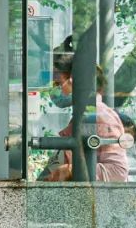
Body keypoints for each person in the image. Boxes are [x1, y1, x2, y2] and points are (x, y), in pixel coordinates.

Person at [39, 36, 130, 182]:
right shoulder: (85, 114)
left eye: (57, 82)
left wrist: (70, 171)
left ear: (74, 80)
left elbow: (118, 172)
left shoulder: (99, 116)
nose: (54, 89)